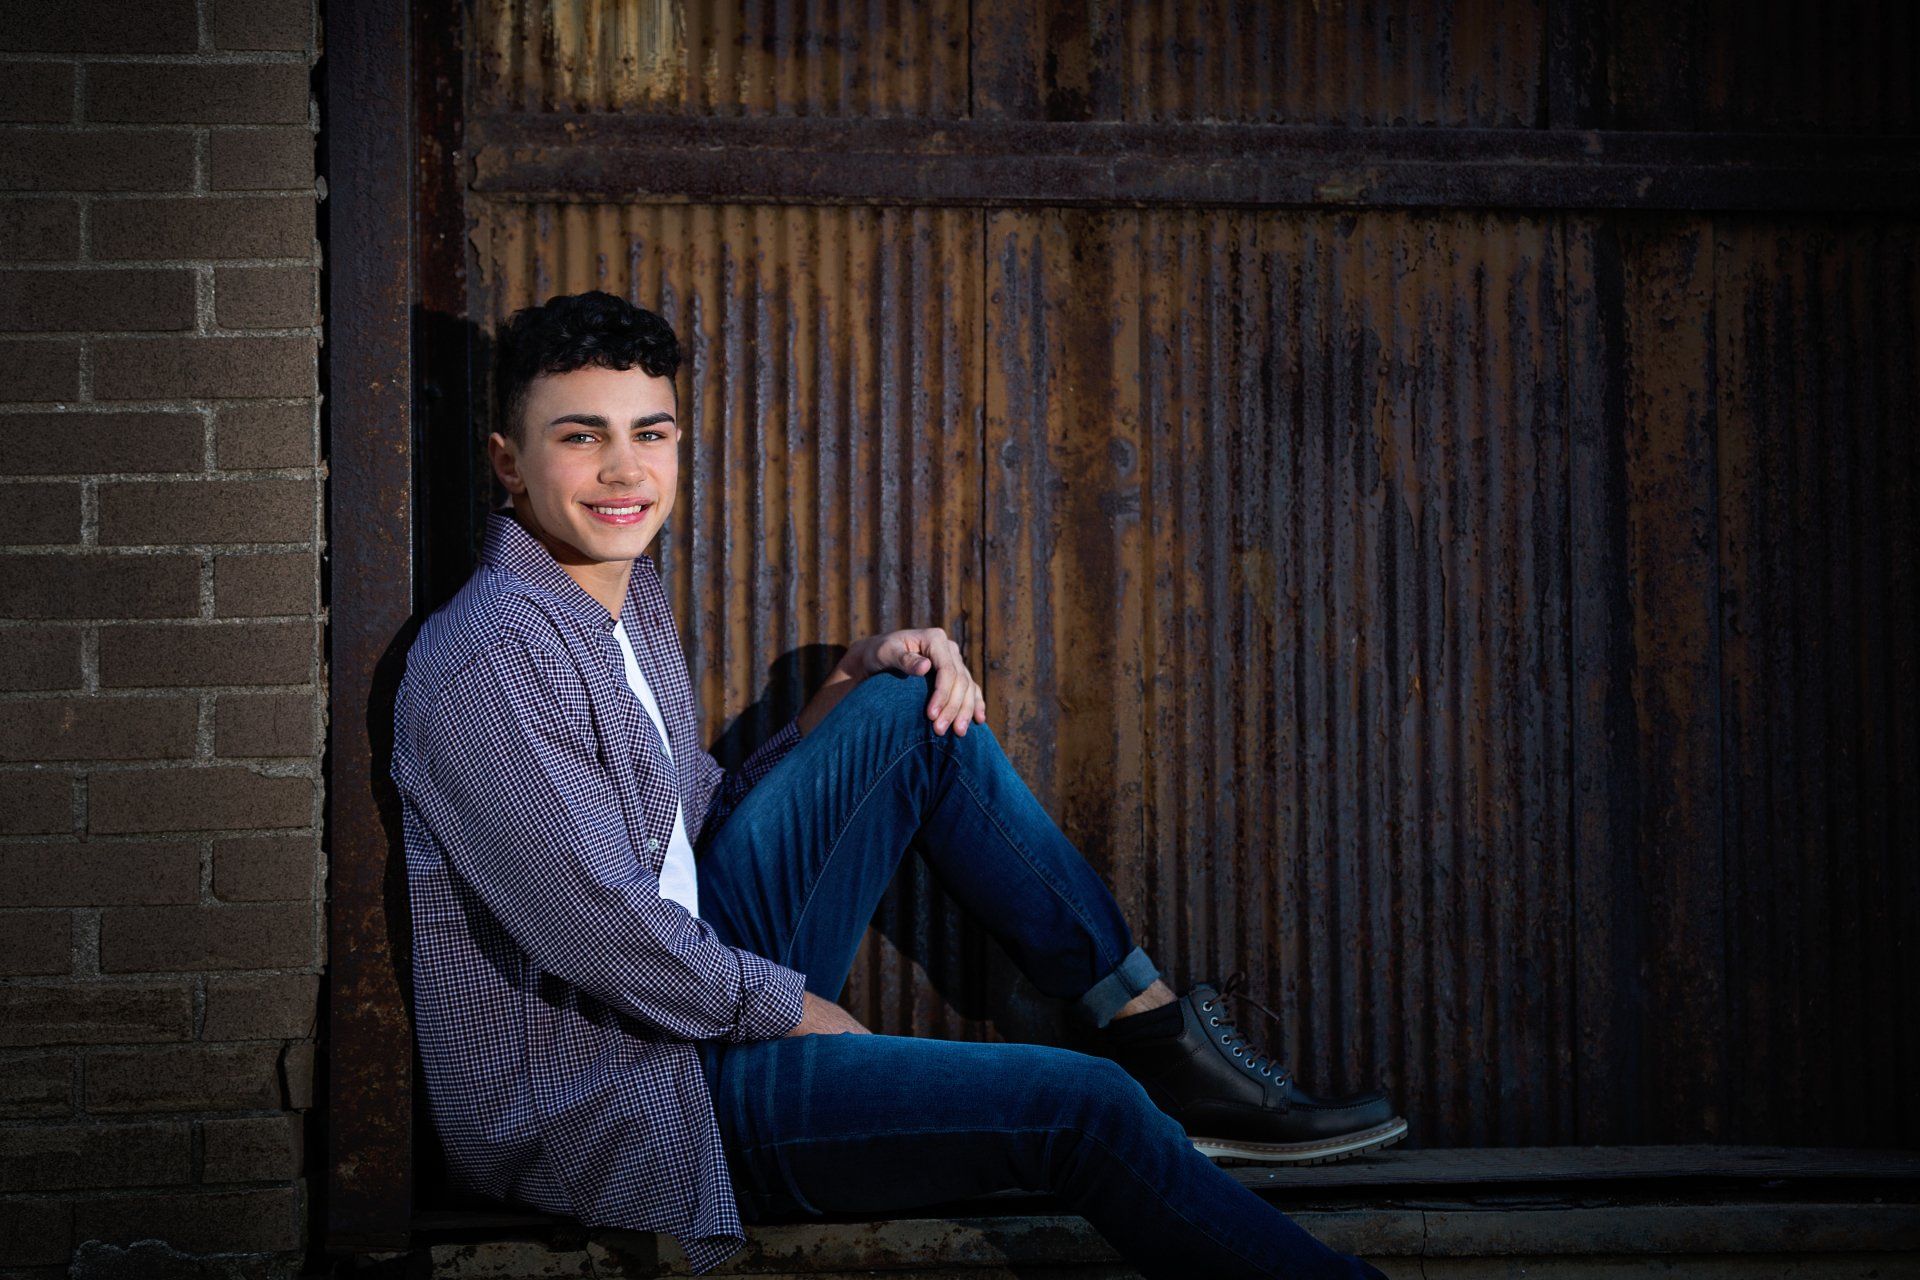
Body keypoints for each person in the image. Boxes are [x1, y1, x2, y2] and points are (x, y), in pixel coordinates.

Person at [391, 290, 1406, 1278]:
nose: (624, 468)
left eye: (650, 433)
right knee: (1084, 1106)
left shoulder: (619, 606)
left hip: (694, 996)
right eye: (581, 437)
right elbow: (602, 932)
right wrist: (795, 1009)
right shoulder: (489, 658)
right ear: (508, 465)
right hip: (644, 1095)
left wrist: (843, 687)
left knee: (906, 701)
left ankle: (1147, 1018)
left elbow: (686, 830)